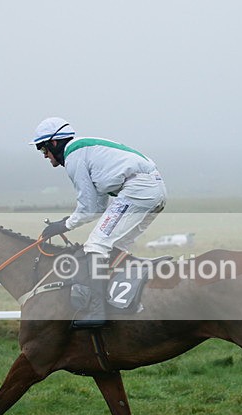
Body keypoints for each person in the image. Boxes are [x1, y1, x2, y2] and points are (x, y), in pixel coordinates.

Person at [30, 117, 167, 328]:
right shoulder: (85, 151)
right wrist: (66, 222)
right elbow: (98, 206)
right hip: (153, 189)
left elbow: (89, 208)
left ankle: (97, 311)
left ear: (53, 143)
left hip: (139, 190)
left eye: (42, 149)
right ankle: (122, 301)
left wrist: (62, 225)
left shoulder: (74, 156)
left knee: (96, 245)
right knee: (115, 247)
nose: (45, 156)